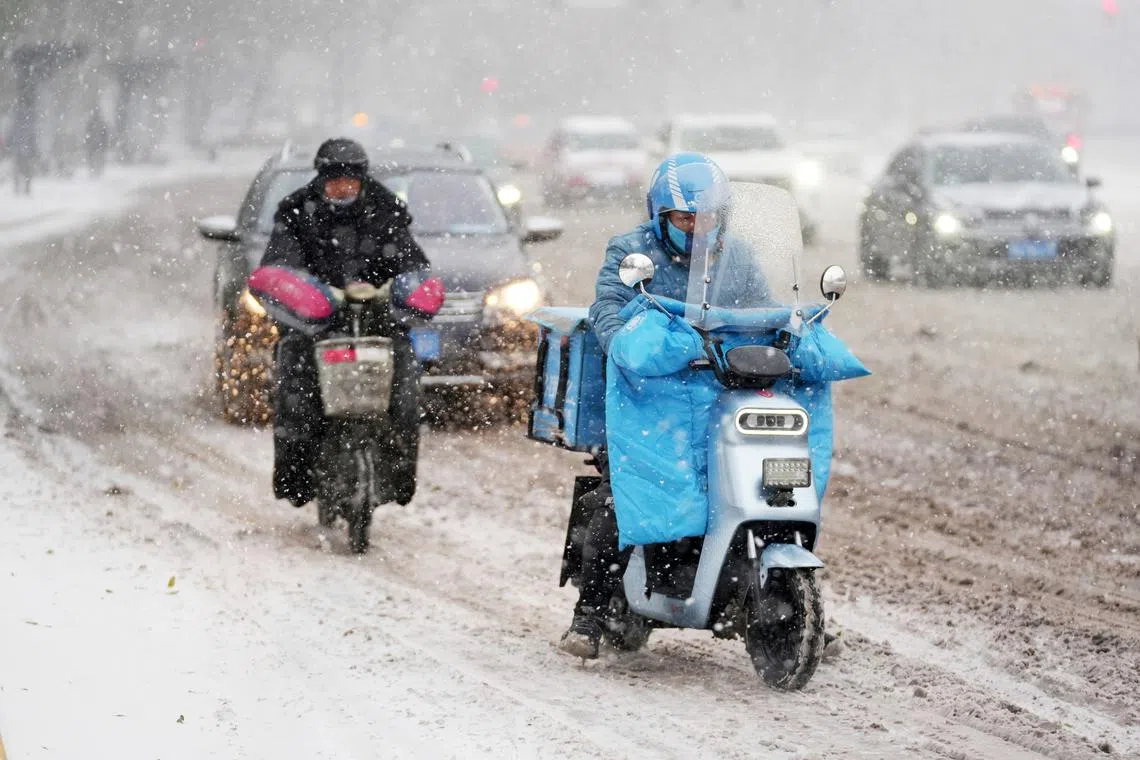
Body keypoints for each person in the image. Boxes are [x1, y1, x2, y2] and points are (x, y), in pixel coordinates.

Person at [560, 152, 770, 659]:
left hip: (720, 396)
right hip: (648, 401)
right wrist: (630, 344)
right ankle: (587, 617)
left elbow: (766, 309)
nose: (699, 229)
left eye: (710, 218)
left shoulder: (737, 256)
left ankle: (770, 598)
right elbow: (607, 309)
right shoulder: (632, 251)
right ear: (659, 216)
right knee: (626, 494)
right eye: (685, 218)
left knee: (762, 484)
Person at [260, 137, 433, 509]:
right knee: (297, 403)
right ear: (321, 180)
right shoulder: (295, 213)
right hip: (314, 329)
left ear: (362, 179)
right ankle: (298, 482)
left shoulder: (387, 211)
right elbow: (280, 265)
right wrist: (311, 298)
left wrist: (403, 289)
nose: (343, 187)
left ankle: (397, 480)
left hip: (379, 325)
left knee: (403, 403)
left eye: (350, 179)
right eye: (335, 179)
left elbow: (410, 262)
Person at [84, 109, 111, 177]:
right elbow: (105, 135)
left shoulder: (91, 123)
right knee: (97, 159)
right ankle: (96, 172)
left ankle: (94, 172)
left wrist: (87, 143)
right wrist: (104, 143)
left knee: (94, 159)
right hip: (98, 145)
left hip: (94, 145)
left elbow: (87, 134)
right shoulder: (100, 123)